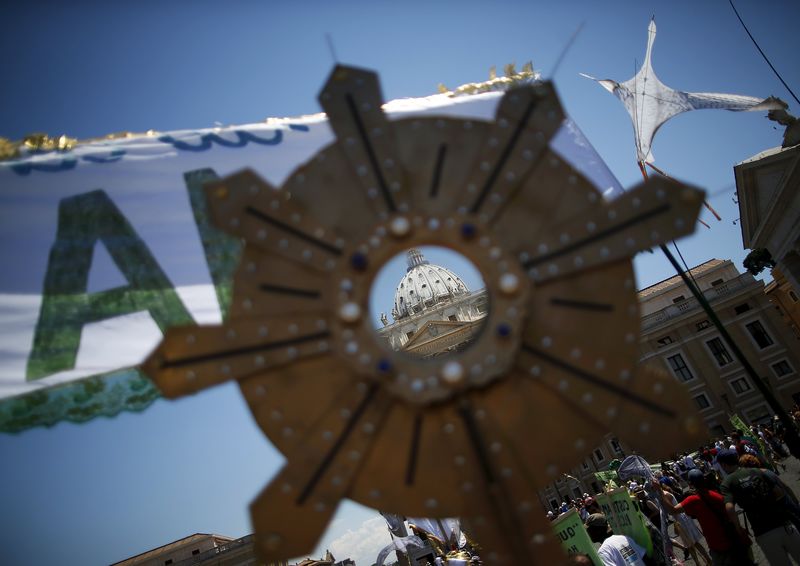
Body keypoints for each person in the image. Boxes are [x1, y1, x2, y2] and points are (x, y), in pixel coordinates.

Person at [718, 448, 800, 565]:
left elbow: (730, 508)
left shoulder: (727, 483)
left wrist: (738, 528)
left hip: (763, 531)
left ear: (723, 464)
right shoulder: (757, 471)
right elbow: (779, 492)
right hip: (784, 523)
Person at [653, 469, 752, 566]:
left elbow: (673, 510)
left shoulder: (693, 500)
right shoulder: (717, 494)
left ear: (690, 484)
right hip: (735, 540)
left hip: (718, 546)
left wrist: (660, 491)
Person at [584, 513, 649, 566]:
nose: (587, 533)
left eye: (589, 530)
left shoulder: (603, 552)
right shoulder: (624, 538)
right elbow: (645, 557)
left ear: (597, 530)